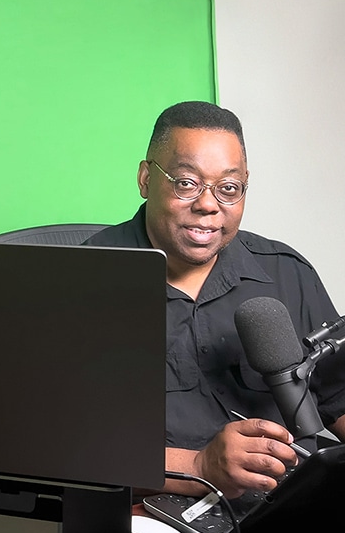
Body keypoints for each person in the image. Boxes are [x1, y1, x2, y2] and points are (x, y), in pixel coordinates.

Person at [85, 101, 345, 500]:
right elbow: (56, 445)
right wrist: (199, 467)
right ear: (145, 179)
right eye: (186, 182)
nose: (208, 205)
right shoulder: (79, 283)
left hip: (287, 507)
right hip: (149, 515)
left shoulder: (285, 272)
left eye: (228, 188)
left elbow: (338, 398)